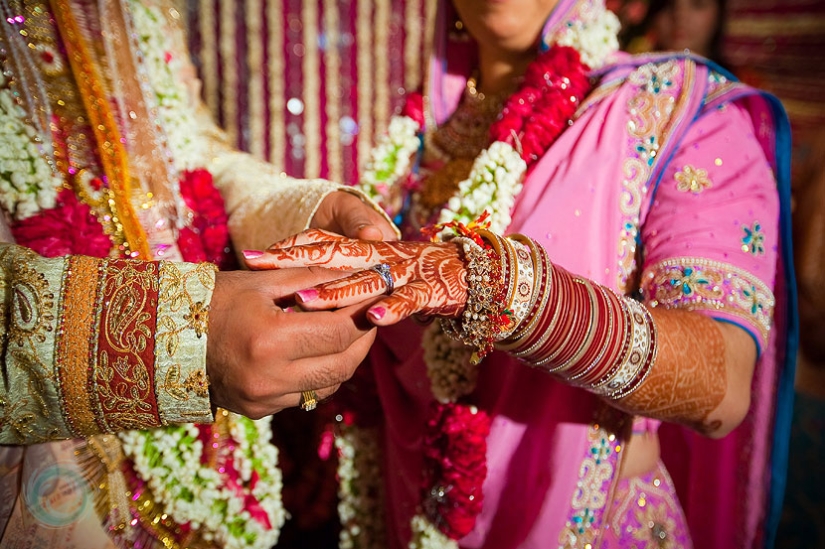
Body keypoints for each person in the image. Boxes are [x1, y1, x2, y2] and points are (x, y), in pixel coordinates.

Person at [245, 0, 797, 547]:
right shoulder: (421, 132)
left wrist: (502, 288)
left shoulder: (678, 113)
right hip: (406, 516)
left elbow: (721, 384)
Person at [0, 1, 395, 547]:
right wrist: (182, 335)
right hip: (49, 476)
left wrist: (302, 211)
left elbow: (188, 148)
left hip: (216, 452)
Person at [624, 0, 728, 68]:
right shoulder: (626, 80)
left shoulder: (735, 94)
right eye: (669, 4)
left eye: (697, 4)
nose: (680, 16)